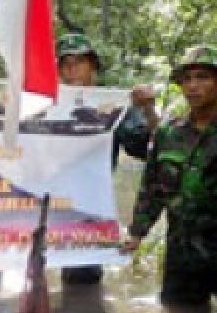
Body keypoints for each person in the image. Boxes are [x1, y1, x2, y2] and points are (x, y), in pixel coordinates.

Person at [121, 44, 217, 313]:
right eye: (186, 79)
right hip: (182, 253)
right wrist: (137, 233)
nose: (193, 86)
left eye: (203, 77)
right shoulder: (168, 132)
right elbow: (152, 188)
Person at [54, 32, 158, 284]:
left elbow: (148, 149)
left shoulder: (113, 108)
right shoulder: (45, 106)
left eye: (80, 62)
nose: (73, 70)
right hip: (41, 204)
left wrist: (148, 109)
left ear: (93, 69)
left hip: (88, 208)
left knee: (82, 281)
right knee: (16, 262)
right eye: (66, 64)